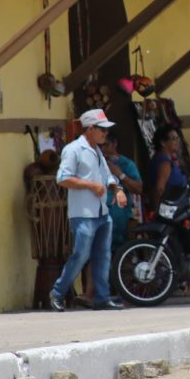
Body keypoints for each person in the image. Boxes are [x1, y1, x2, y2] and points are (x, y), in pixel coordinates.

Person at [50, 109, 127, 312]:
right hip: (83, 213)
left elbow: (107, 176)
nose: (105, 134)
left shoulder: (97, 151)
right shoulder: (73, 149)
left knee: (103, 256)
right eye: (102, 130)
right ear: (90, 129)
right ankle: (57, 293)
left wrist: (117, 190)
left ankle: (102, 298)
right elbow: (63, 178)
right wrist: (91, 185)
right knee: (81, 255)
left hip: (102, 212)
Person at [101, 131, 143, 249]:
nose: (103, 149)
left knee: (121, 255)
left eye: (106, 145)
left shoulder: (126, 164)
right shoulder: (97, 163)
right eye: (101, 146)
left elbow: (138, 188)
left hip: (119, 220)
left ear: (115, 144)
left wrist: (120, 174)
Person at [144, 125, 188, 220]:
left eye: (177, 138)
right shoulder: (164, 162)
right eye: (173, 138)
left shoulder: (168, 159)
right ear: (163, 142)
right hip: (167, 213)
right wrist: (159, 215)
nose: (177, 142)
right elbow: (159, 189)